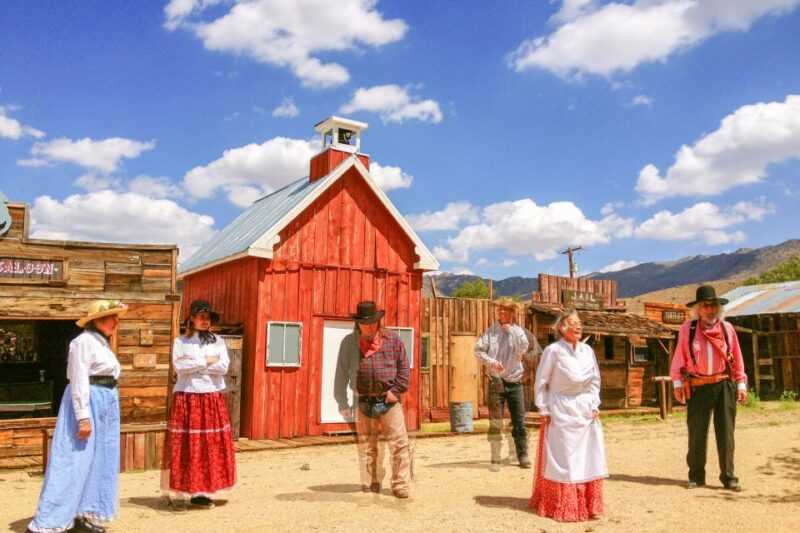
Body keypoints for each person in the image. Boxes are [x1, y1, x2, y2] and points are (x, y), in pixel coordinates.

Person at [27, 299, 127, 533]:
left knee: (99, 459)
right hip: (89, 400)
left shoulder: (102, 344)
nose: (115, 321)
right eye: (110, 317)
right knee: (73, 460)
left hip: (106, 401)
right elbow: (79, 378)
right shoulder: (83, 342)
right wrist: (83, 416)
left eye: (115, 317)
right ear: (96, 321)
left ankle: (81, 513)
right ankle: (47, 521)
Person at [530, 308, 607, 522]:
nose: (578, 326)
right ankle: (562, 504)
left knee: (588, 455)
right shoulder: (553, 351)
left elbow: (595, 380)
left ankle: (588, 504)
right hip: (560, 407)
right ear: (562, 328)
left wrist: (593, 404)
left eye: (579, 323)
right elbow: (541, 382)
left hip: (584, 407)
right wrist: (543, 408)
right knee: (565, 457)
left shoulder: (587, 351)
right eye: (573, 323)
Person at [670, 285, 748, 491]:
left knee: (726, 433)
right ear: (698, 309)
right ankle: (696, 476)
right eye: (705, 306)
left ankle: (729, 477)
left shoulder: (727, 329)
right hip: (698, 386)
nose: (710, 310)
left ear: (718, 308)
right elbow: (679, 358)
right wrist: (677, 383)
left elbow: (737, 358)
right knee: (696, 433)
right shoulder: (688, 329)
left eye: (713, 306)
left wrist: (741, 384)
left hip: (724, 385)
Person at [164, 300, 236, 510]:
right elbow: (179, 366)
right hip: (187, 396)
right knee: (189, 443)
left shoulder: (218, 341)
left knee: (209, 443)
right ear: (192, 318)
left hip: (210, 396)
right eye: (202, 317)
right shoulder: (181, 342)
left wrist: (195, 365)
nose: (206, 321)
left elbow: (223, 367)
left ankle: (204, 491)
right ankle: (190, 487)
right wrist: (206, 362)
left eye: (208, 318)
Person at [344, 301, 411, 498]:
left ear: (378, 322)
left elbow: (404, 370)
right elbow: (343, 370)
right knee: (367, 445)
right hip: (364, 400)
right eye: (364, 324)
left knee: (399, 443)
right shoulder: (351, 343)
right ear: (358, 324)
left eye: (372, 323)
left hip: (389, 401)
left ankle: (400, 484)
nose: (368, 327)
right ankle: (370, 481)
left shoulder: (394, 341)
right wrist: (352, 387)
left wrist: (396, 391)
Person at [474, 296, 531, 470]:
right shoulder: (490, 332)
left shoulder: (519, 331)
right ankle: (495, 458)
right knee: (496, 422)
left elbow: (523, 349)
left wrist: (511, 332)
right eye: (500, 309)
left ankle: (523, 456)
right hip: (496, 382)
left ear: (512, 313)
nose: (502, 312)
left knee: (519, 421)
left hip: (515, 382)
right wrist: (491, 361)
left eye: (506, 309)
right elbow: (477, 350)